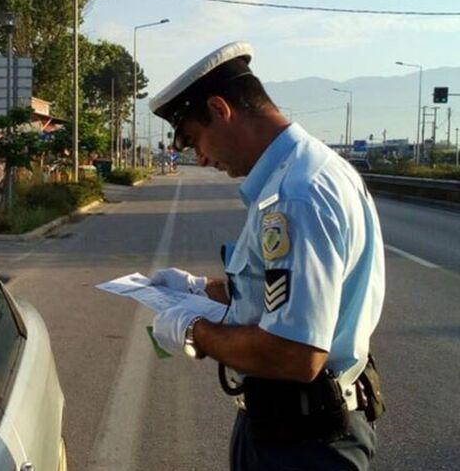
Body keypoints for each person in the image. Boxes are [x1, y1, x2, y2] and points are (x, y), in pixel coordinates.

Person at [148, 42, 385, 470]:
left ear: (220, 109)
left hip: (304, 444)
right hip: (284, 427)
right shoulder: (299, 171)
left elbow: (296, 353)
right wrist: (201, 290)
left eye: (193, 139)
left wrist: (194, 331)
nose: (199, 156)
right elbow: (277, 296)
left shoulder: (297, 193)